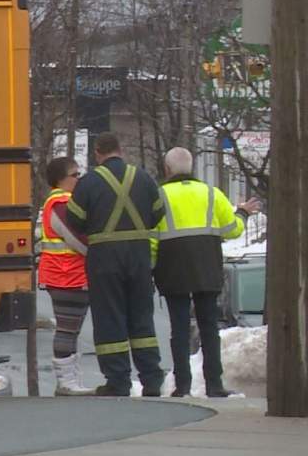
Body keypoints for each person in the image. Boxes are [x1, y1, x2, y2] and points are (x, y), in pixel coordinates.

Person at [153, 147, 261, 397]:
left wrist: (149, 266)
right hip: (207, 268)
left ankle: (182, 386)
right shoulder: (212, 194)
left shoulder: (159, 197)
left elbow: (151, 237)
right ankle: (214, 384)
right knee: (209, 327)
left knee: (179, 329)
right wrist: (243, 213)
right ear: (191, 168)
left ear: (167, 169)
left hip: (173, 270)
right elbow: (233, 230)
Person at [65, 133, 165, 396]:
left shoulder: (88, 183)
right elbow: (157, 214)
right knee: (142, 318)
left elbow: (74, 220)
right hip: (139, 256)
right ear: (120, 150)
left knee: (110, 318)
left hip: (104, 258)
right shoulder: (143, 178)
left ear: (98, 152)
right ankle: (152, 380)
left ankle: (118, 380)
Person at [38, 157, 94, 395]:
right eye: (75, 175)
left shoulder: (61, 201)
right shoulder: (61, 203)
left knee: (71, 328)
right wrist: (99, 251)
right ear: (61, 179)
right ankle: (66, 381)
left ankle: (70, 379)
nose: (79, 179)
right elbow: (77, 239)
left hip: (67, 275)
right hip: (66, 275)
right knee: (67, 328)